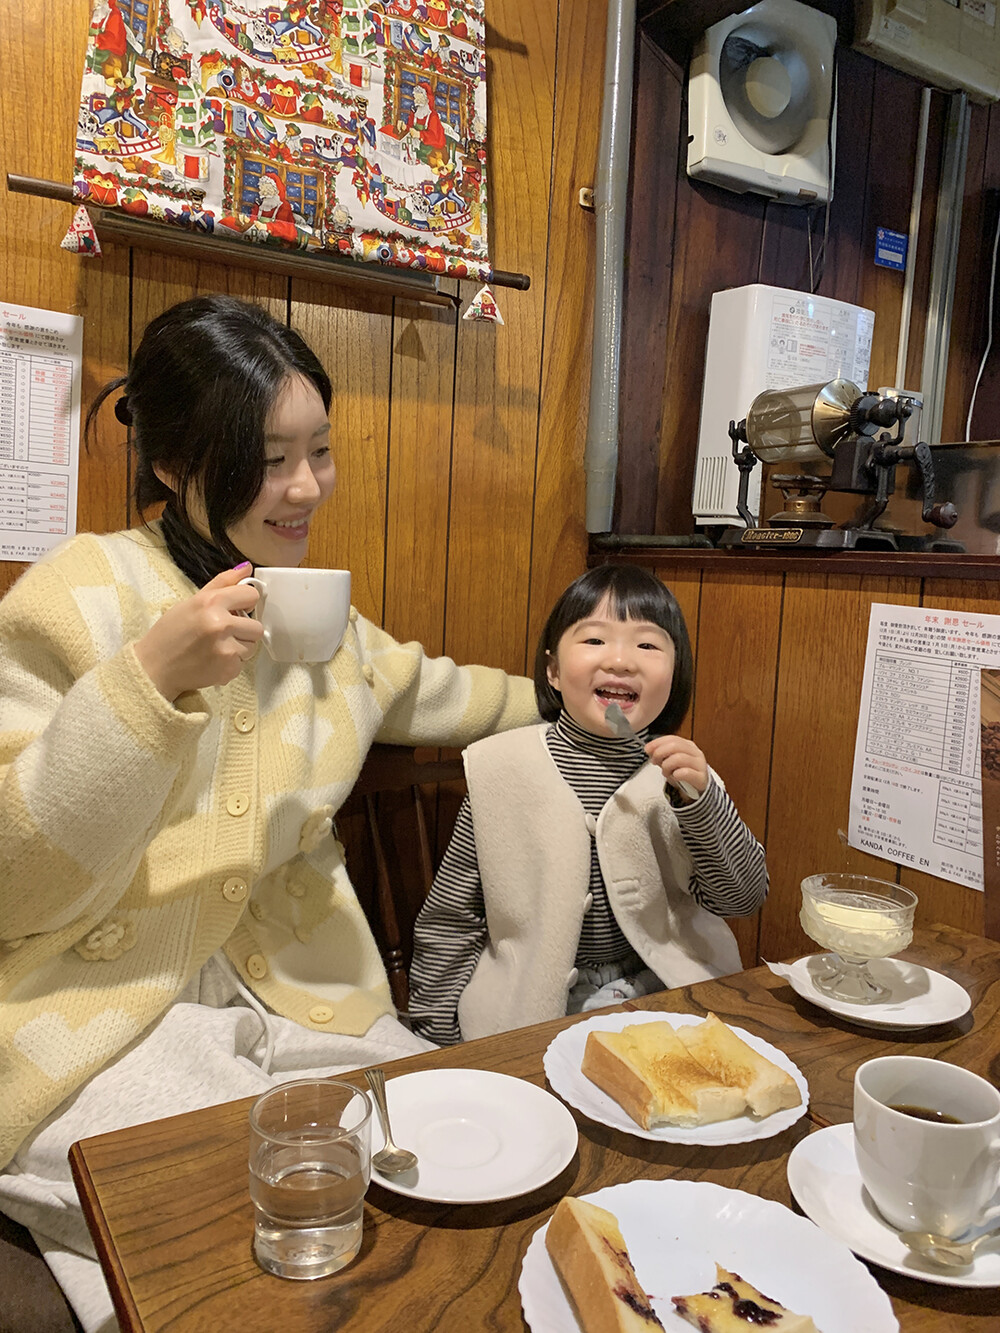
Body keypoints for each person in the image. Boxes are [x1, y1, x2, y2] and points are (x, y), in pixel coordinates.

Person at [0, 294, 536, 1331]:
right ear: (172, 463)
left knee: (440, 1152)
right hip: (94, 1009)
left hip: (303, 997)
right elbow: (13, 880)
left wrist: (582, 701)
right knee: (228, 1207)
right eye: (266, 459)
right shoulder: (77, 595)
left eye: (319, 452)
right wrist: (147, 682)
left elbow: (442, 690)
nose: (303, 488)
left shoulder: (318, 617)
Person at [408, 565, 768, 1046]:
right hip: (532, 1006)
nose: (620, 661)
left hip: (661, 990)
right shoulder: (500, 770)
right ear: (553, 670)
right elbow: (451, 920)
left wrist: (703, 804)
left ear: (674, 673)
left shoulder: (684, 779)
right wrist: (434, 1039)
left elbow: (742, 899)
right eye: (595, 640)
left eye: (647, 645)